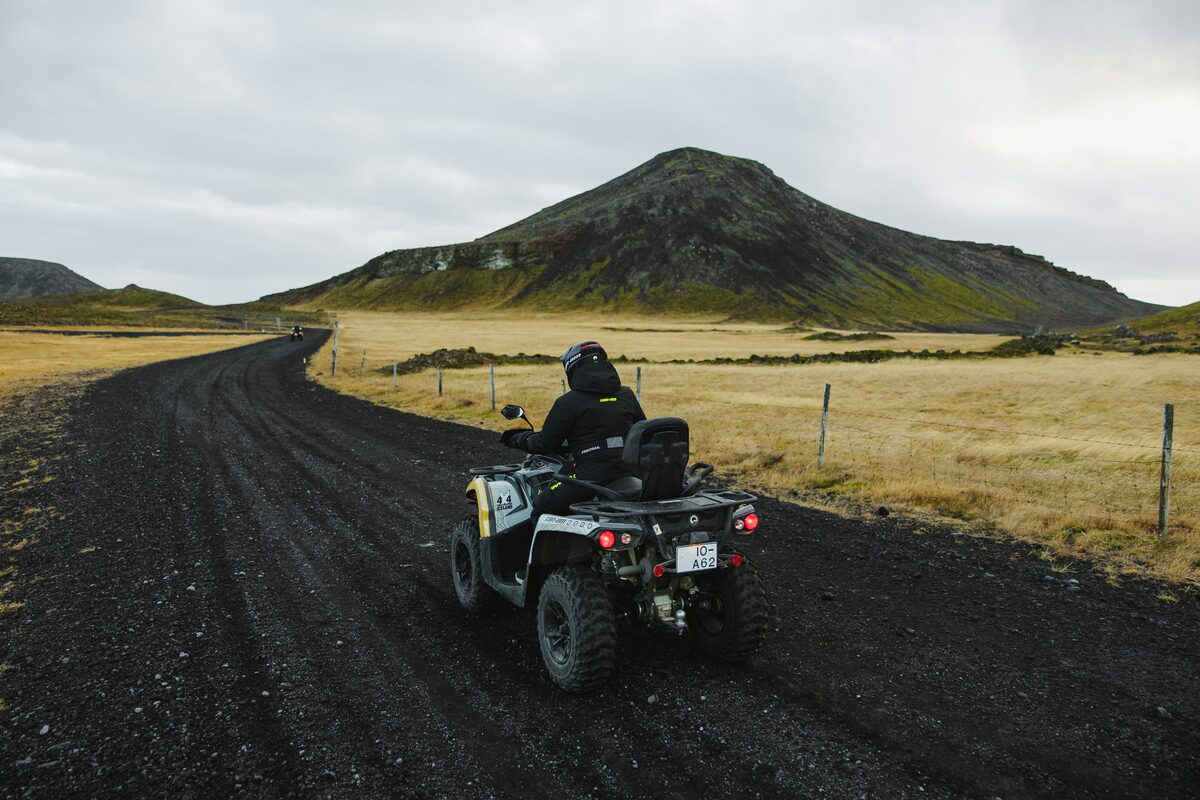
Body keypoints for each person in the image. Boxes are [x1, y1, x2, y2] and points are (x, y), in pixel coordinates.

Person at [501, 341, 645, 516]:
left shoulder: (568, 402)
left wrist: (517, 439)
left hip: (589, 478)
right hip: (629, 473)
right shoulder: (626, 395)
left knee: (542, 508)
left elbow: (544, 444)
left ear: (572, 368)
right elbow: (641, 432)